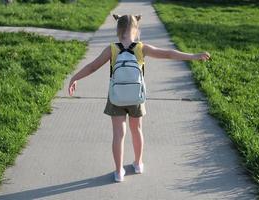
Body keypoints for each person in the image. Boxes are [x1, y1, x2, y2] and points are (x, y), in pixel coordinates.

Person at [68, 14, 210, 182]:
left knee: (118, 134)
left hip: (116, 98)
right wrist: (193, 56)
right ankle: (137, 163)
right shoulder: (141, 48)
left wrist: (75, 77)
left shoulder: (112, 49)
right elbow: (168, 54)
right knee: (137, 130)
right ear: (136, 30)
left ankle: (119, 171)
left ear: (118, 30)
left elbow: (92, 67)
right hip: (136, 97)